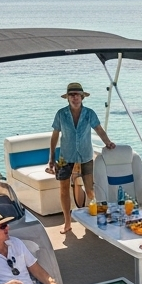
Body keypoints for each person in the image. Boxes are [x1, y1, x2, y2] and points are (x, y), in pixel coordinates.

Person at [48, 82, 117, 234]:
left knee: (91, 190)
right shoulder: (61, 114)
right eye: (72, 95)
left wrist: (108, 143)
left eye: (77, 95)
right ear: (68, 98)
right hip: (65, 157)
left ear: (82, 97)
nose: (75, 97)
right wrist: (51, 157)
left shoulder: (89, 113)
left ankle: (95, 219)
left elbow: (99, 129)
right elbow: (55, 136)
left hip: (85, 155)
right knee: (64, 190)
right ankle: (67, 222)